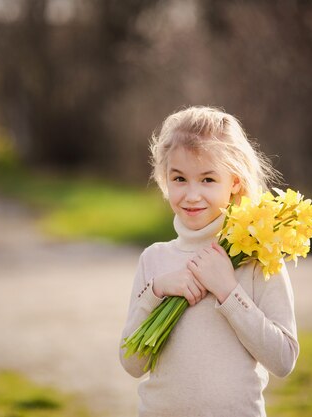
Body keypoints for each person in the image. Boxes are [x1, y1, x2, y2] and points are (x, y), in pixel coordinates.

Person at [119, 106, 299, 417]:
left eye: (207, 179)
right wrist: (156, 291)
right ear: (165, 180)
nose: (191, 195)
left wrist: (229, 292)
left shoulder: (259, 258)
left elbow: (283, 360)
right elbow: (132, 363)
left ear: (235, 184)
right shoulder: (154, 260)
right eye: (179, 178)